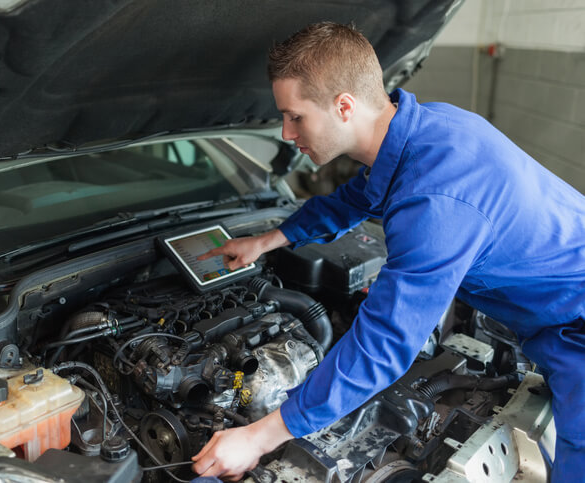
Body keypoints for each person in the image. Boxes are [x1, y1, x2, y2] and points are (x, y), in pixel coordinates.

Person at [190, 22, 585, 482]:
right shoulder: (422, 131)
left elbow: (383, 344)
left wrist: (260, 436)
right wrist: (268, 241)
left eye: (295, 116)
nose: (284, 131)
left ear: (343, 106)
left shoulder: (434, 200)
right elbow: (357, 198)